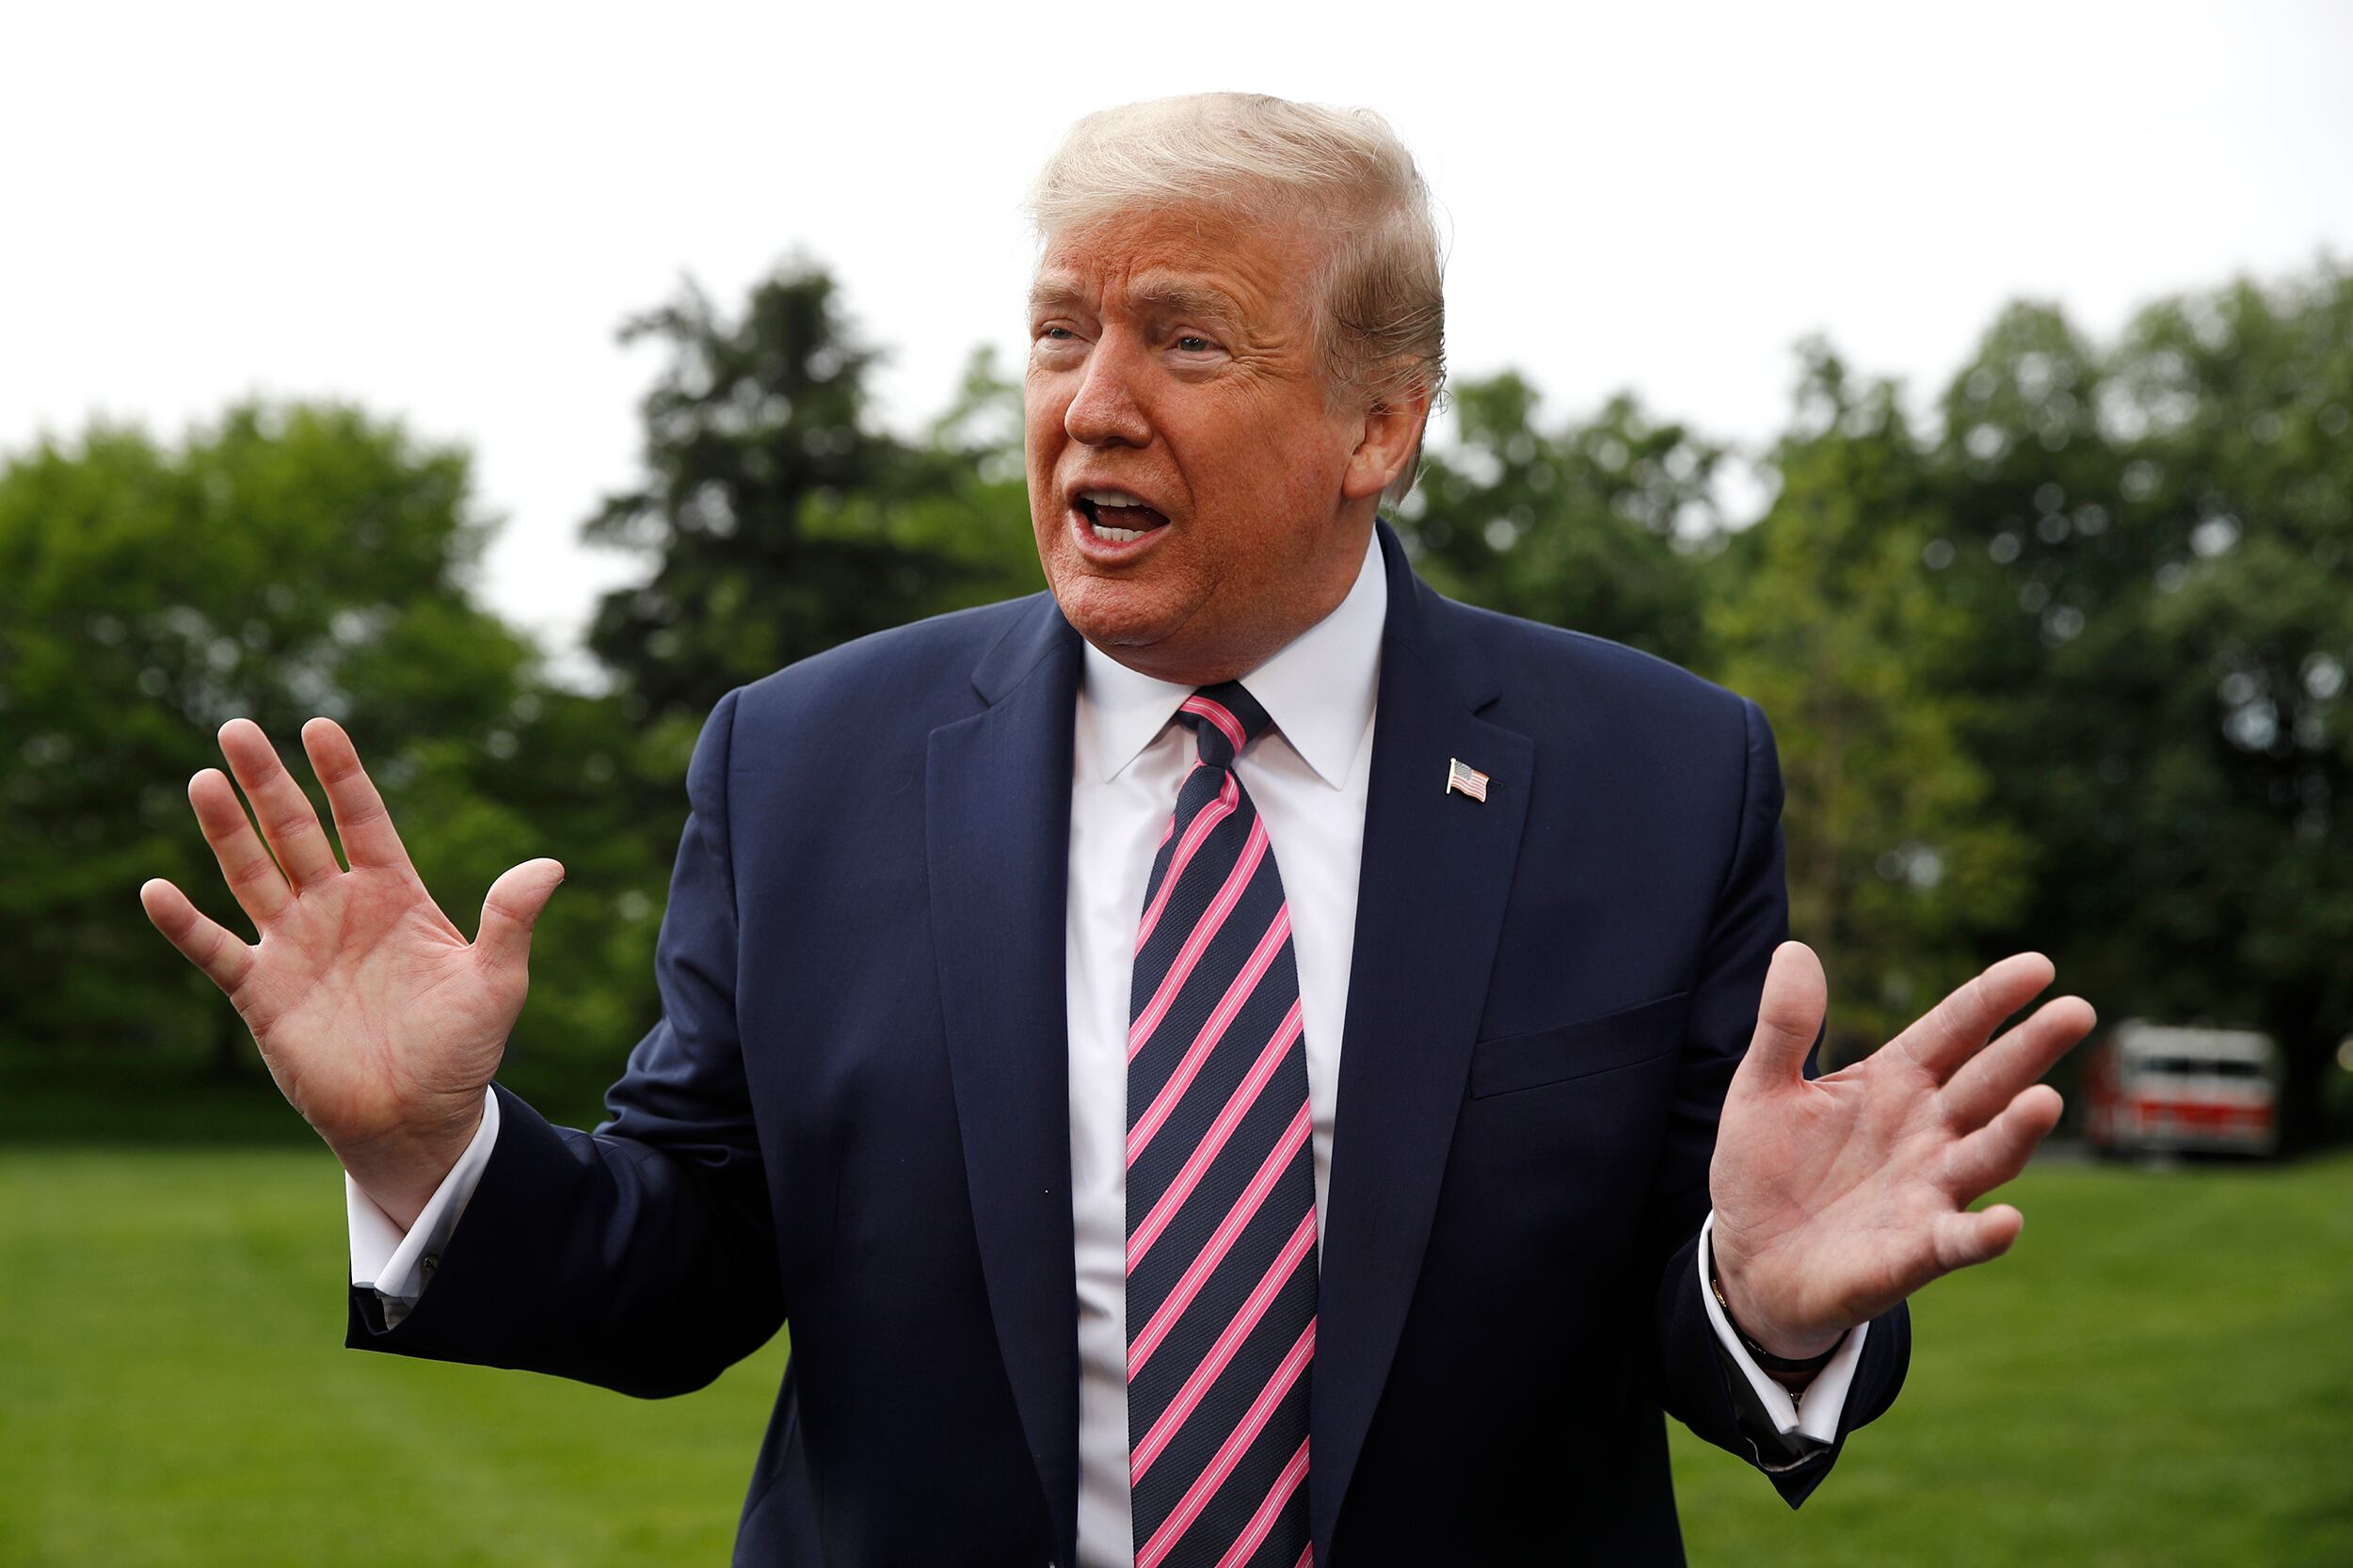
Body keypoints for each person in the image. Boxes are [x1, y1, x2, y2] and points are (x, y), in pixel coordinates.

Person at [138, 93, 2093, 1568]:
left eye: (1183, 336)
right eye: (1057, 331)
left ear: (1377, 423)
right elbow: (685, 1269)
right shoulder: (804, 760)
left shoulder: (1655, 772)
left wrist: (1751, 1295)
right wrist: (431, 1148)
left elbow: (1696, 1279)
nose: (1088, 404)